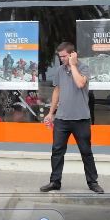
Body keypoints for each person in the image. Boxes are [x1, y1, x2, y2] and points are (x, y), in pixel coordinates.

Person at [40, 42, 104, 194]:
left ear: (72, 54)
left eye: (64, 56)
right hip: (62, 118)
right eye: (59, 56)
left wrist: (73, 65)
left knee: (86, 151)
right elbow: (57, 91)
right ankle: (55, 181)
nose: (61, 59)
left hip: (81, 118)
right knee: (57, 151)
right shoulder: (60, 70)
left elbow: (80, 83)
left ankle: (92, 182)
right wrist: (51, 113)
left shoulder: (83, 68)